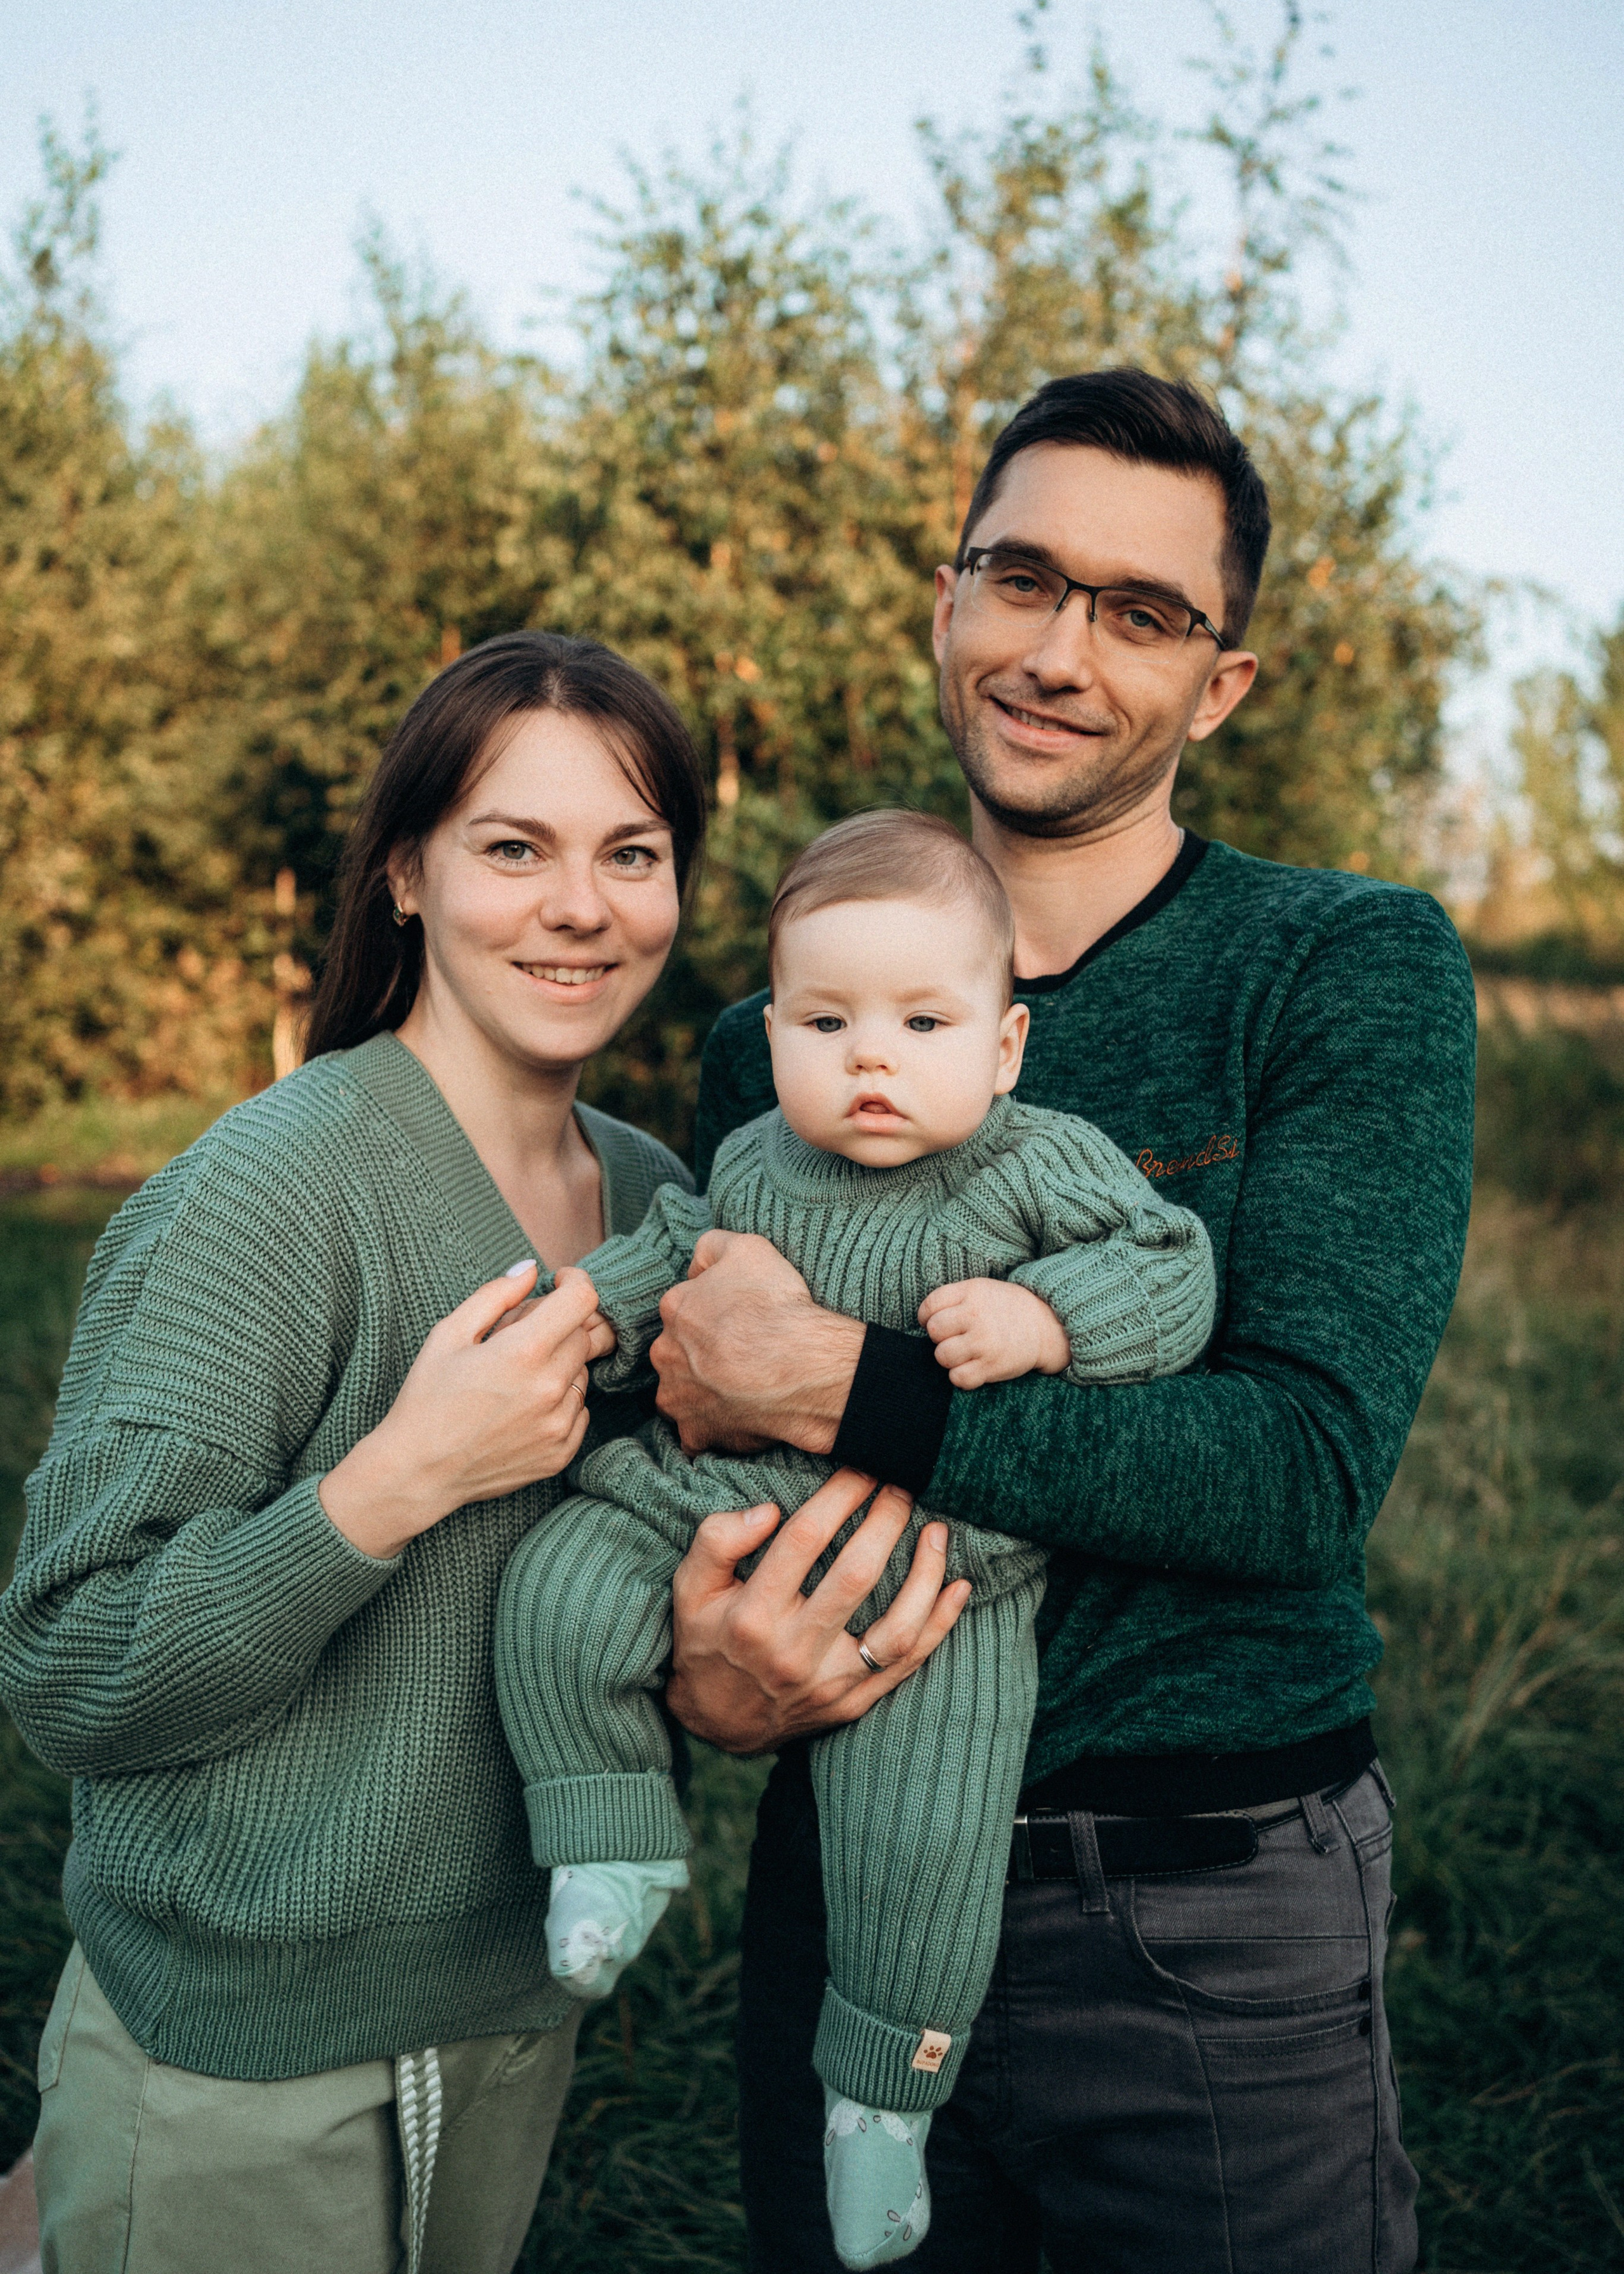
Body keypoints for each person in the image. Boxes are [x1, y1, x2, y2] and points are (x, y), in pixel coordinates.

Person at [648, 371, 1477, 2272]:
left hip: (1200, 1909)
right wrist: (699, 1676)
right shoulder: (757, 1051)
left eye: (1142, 612)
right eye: (1019, 578)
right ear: (946, 605)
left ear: (1222, 684)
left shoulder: (1335, 969)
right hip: (845, 1879)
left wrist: (842, 1381)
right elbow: (701, 1432)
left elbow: (1295, 1471)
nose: (1059, 650)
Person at [0, 632, 960, 2274]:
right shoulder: (273, 1194)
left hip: (515, 2021)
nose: (579, 907)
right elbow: (73, 1671)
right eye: (514, 849)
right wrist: (396, 1481)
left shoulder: (673, 1202)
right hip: (243, 2062)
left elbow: (605, 1582)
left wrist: (714, 1679)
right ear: (403, 877)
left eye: (631, 855)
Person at [494, 808, 1215, 2269]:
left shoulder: (1034, 1163)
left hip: (932, 1572)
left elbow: (1170, 1265)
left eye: (919, 1020)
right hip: (723, 1505)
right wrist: (583, 1315)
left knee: (915, 1833)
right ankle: (608, 1835)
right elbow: (673, 1266)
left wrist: (1047, 1317)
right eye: (824, 1020)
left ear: (1002, 1048)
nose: (868, 1056)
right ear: (770, 1038)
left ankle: (877, 2104)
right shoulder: (756, 1162)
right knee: (556, 1579)